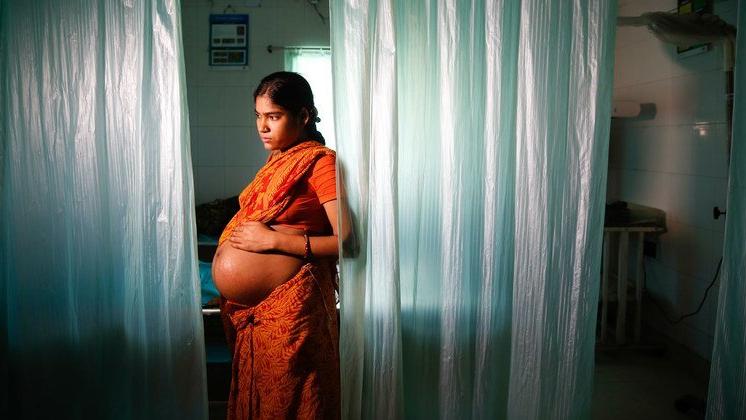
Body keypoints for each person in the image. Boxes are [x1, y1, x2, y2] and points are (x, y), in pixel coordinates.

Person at [211, 72, 342, 420]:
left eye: (274, 116)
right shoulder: (278, 159)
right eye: (258, 116)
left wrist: (273, 240)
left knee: (291, 402)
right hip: (255, 315)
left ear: (303, 115)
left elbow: (346, 241)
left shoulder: (321, 162)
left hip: (292, 311)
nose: (262, 127)